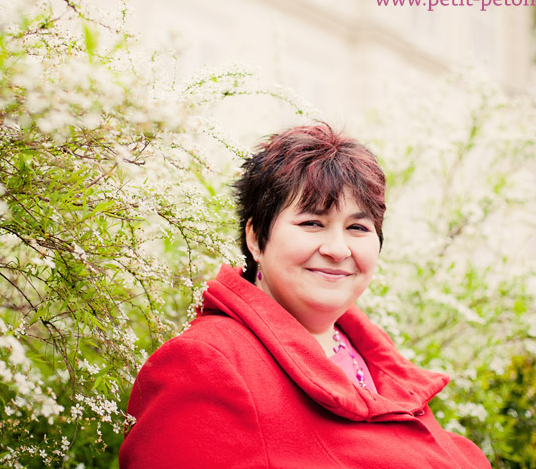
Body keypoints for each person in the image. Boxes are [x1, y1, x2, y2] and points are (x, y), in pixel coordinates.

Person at [118, 124, 492, 468]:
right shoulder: (208, 363)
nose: (337, 248)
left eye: (358, 227)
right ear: (255, 238)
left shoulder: (369, 355)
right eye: (312, 223)